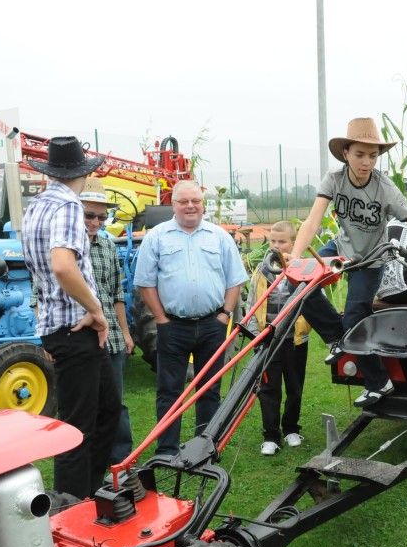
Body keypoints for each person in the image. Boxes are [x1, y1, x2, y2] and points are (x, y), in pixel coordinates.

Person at [289, 117, 407, 407]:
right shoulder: (334, 179)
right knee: (298, 284)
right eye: (360, 154)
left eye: (373, 156)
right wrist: (296, 258)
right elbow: (312, 221)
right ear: (346, 153)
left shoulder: (384, 188)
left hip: (371, 259)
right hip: (341, 248)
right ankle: (337, 337)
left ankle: (379, 381)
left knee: (354, 319)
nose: (366, 162)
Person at [22, 136, 120, 498]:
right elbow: (63, 266)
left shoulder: (36, 206)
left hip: (63, 325)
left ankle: (89, 492)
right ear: (83, 173)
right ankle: (69, 505)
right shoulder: (67, 206)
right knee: (78, 429)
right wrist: (96, 310)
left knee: (108, 410)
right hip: (75, 327)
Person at [133, 180, 247, 455]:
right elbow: (145, 282)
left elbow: (235, 279)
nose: (190, 206)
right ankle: (167, 450)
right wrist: (160, 319)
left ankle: (204, 448)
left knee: (209, 389)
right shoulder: (157, 237)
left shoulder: (219, 237)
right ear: (173, 205)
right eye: (183, 201)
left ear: (202, 204)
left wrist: (225, 314)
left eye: (195, 201)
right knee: (169, 391)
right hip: (173, 326)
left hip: (212, 325)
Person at [78, 177, 137, 463]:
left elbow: (117, 294)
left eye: (101, 217)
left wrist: (125, 333)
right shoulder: (64, 247)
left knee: (115, 403)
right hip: (79, 338)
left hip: (111, 336)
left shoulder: (108, 246)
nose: (95, 222)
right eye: (89, 215)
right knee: (84, 406)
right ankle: (88, 461)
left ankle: (121, 461)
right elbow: (40, 295)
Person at [246, 221, 311, 456]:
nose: (276, 245)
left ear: (294, 243)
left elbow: (316, 303)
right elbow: (251, 304)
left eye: (282, 241)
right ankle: (271, 436)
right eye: (272, 241)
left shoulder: (304, 269)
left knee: (294, 386)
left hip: (295, 340)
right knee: (268, 387)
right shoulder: (261, 270)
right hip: (268, 339)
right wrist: (256, 337)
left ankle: (291, 428)